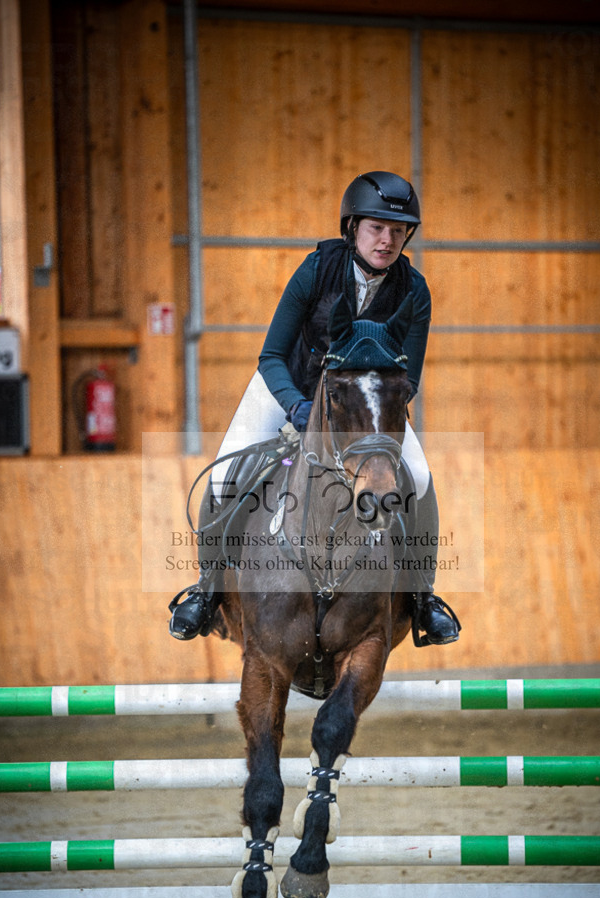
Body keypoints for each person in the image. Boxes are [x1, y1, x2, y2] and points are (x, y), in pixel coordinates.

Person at [169, 171, 460, 647]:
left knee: (420, 478)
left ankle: (423, 596)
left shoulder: (415, 291)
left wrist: (365, 425)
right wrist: (299, 408)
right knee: (225, 476)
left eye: (398, 230)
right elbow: (271, 356)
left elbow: (409, 379)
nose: (387, 240)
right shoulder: (316, 270)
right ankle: (207, 588)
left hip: (365, 411)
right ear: (352, 228)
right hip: (289, 387)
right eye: (376, 228)